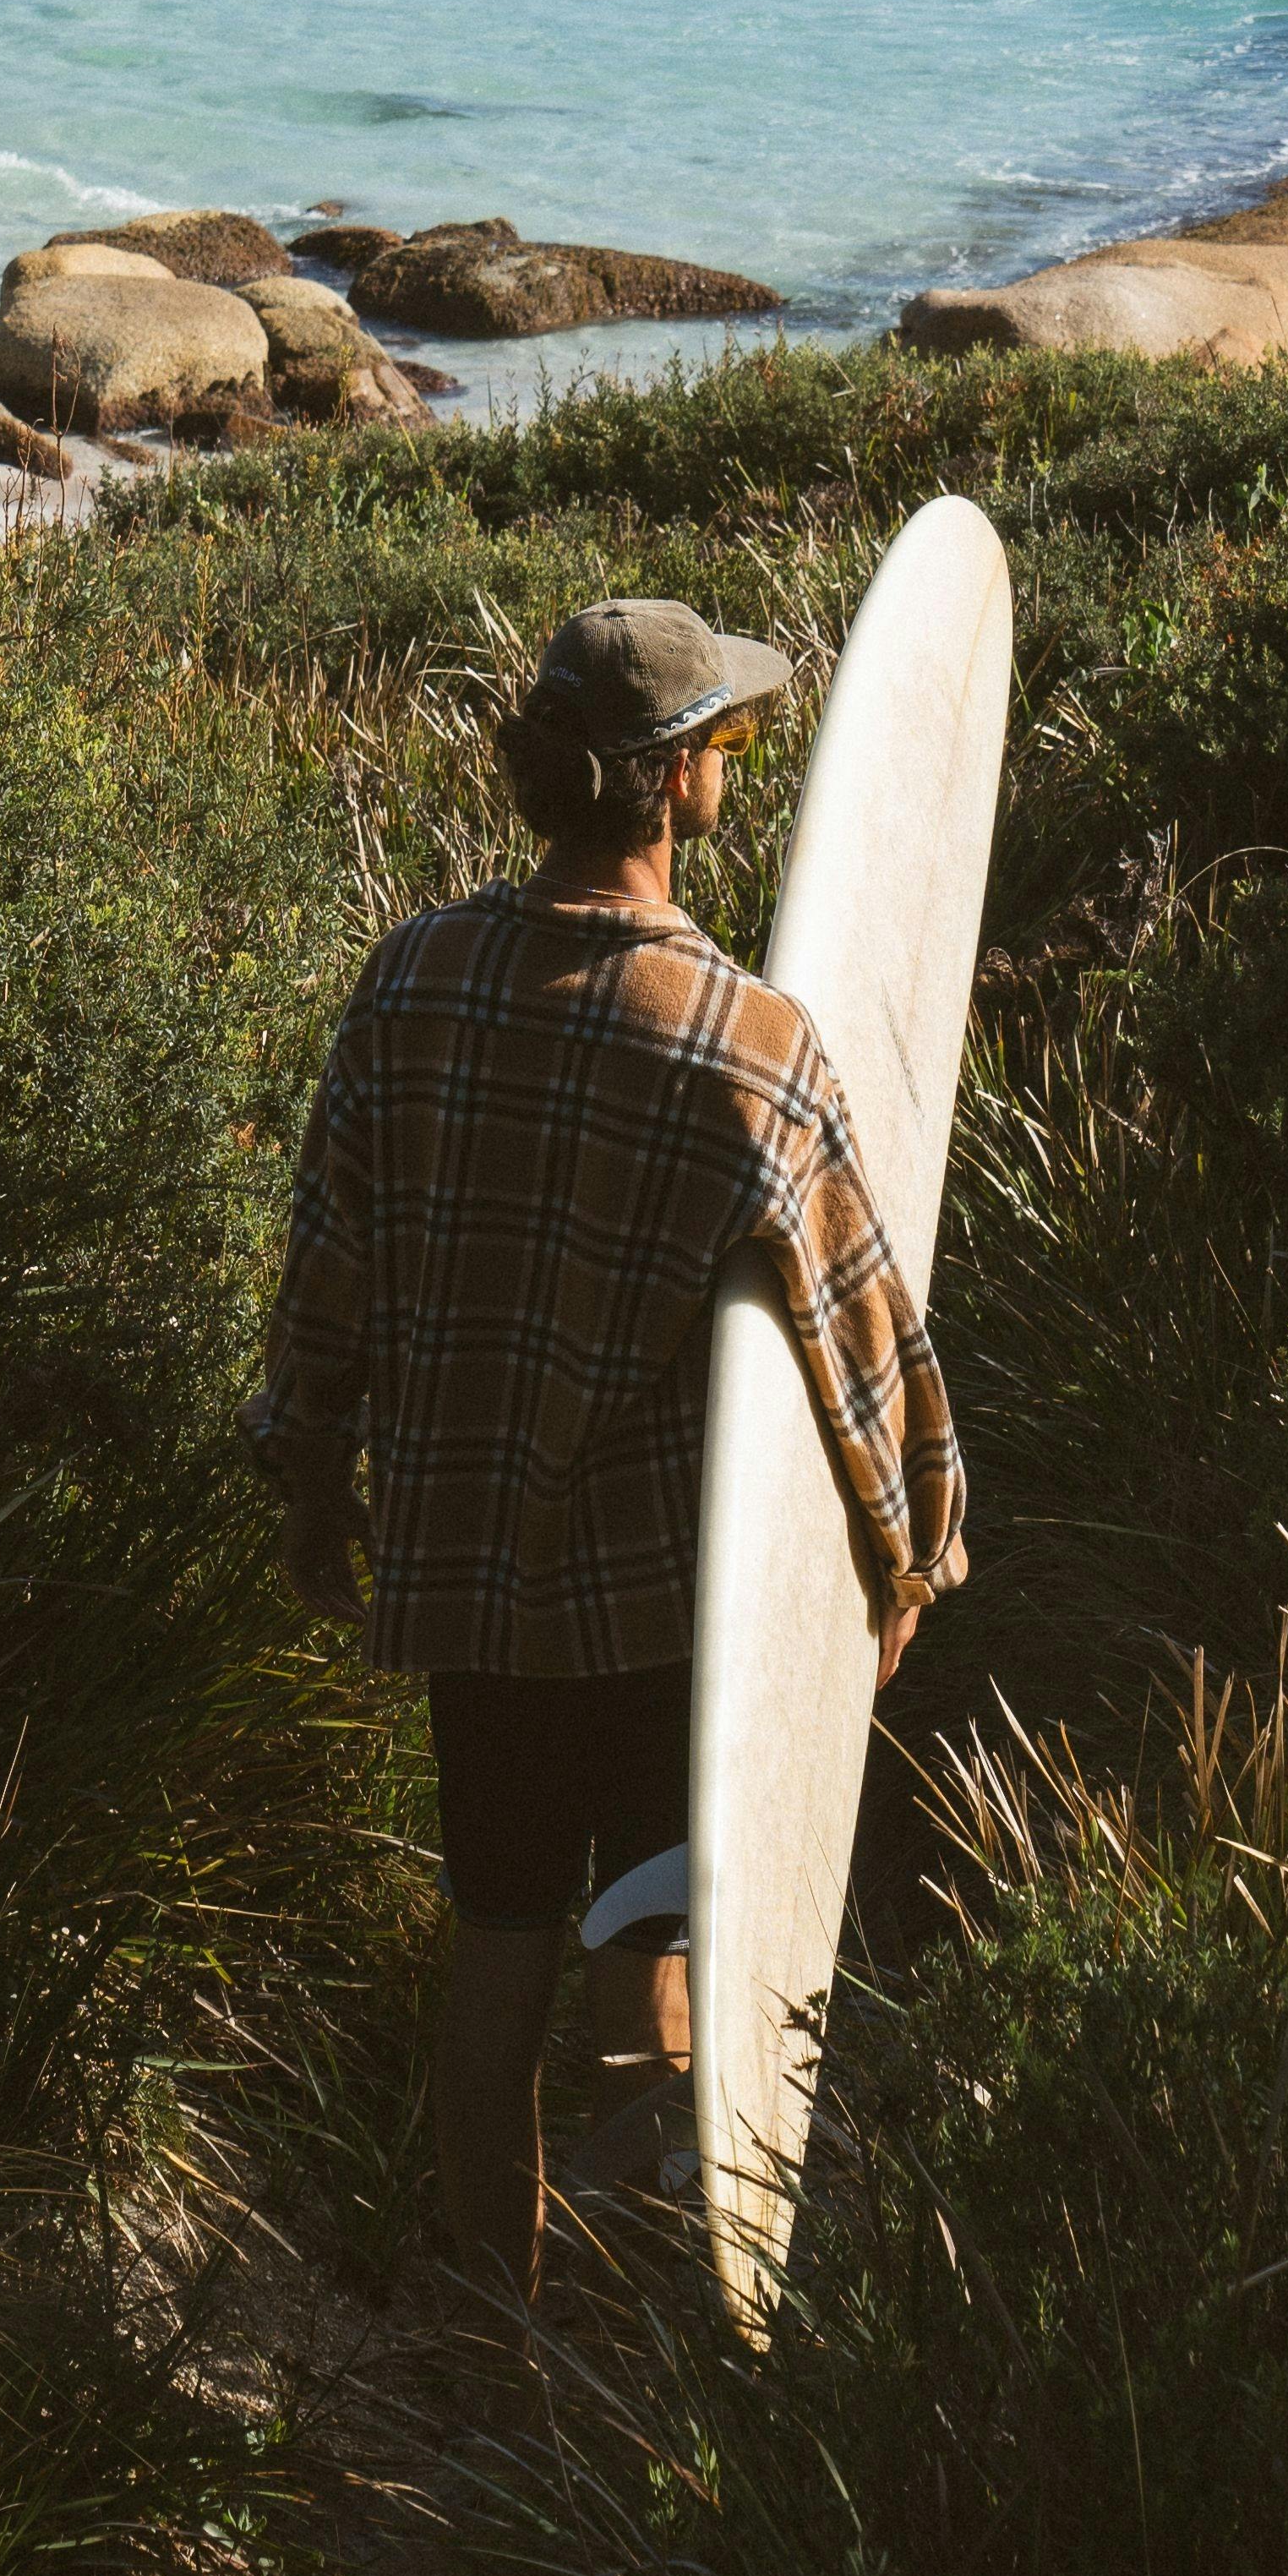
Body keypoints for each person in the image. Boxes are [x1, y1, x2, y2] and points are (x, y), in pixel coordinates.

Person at [248, 592, 966, 2307]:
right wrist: (906, 1547)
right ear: (666, 786)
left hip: (469, 1596)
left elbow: (325, 1260)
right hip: (656, 1616)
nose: (739, 767)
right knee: (644, 1963)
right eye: (726, 743)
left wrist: (303, 1473)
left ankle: (492, 2339)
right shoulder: (741, 1041)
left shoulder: (407, 981)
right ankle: (639, 2350)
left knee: (492, 1948)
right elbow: (858, 1326)